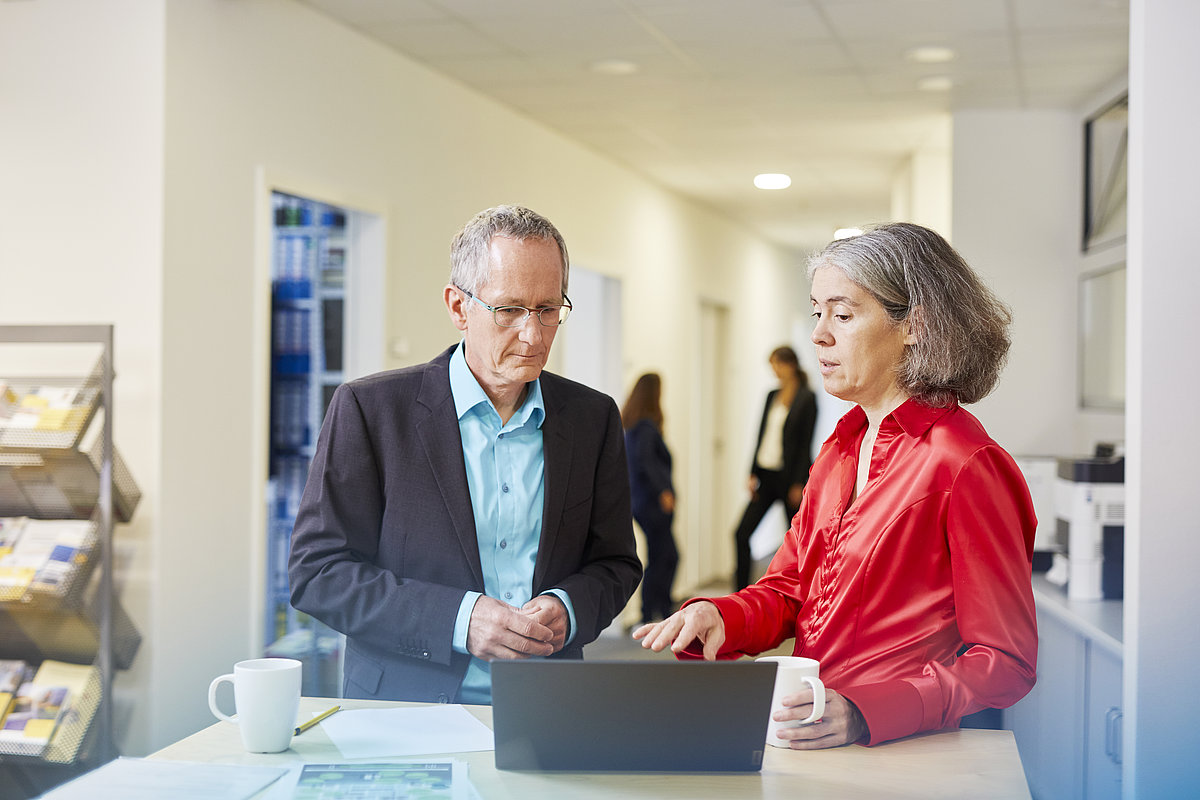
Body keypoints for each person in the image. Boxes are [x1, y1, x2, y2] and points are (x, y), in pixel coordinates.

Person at [634, 222, 1037, 749]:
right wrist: (721, 615)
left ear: (915, 325)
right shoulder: (840, 448)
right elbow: (791, 591)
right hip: (814, 732)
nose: (819, 335)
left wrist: (870, 712)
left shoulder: (964, 462)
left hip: (904, 753)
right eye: (816, 313)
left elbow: (1006, 661)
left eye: (843, 315)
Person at [289, 204, 642, 704]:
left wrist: (570, 607)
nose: (534, 334)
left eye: (548, 309)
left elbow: (615, 564)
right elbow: (318, 572)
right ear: (459, 308)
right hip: (404, 710)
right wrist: (460, 619)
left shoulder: (592, 418)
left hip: (546, 703)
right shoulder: (371, 410)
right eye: (510, 310)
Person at [731, 345, 817, 590]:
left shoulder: (807, 398)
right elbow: (761, 435)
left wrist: (799, 482)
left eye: (776, 364)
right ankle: (739, 591)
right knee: (740, 533)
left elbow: (804, 444)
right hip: (766, 476)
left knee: (799, 541)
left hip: (790, 479)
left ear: (789, 364)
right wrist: (752, 472)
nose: (774, 371)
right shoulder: (771, 395)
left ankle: (801, 593)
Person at [621, 372, 679, 625]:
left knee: (662, 556)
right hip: (652, 502)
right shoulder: (645, 426)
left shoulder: (634, 425)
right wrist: (663, 491)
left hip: (641, 502)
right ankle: (653, 612)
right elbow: (646, 462)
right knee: (665, 557)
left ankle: (656, 609)